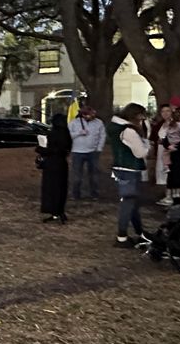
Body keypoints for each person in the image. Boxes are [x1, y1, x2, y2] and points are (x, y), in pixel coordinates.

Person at [108, 103, 151, 248]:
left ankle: (140, 232)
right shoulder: (129, 131)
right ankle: (122, 237)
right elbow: (141, 152)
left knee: (132, 203)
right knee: (128, 202)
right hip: (130, 169)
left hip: (119, 167)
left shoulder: (115, 127)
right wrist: (146, 141)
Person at [38, 113, 72, 223]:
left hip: (52, 163)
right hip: (61, 164)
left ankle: (55, 211)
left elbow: (54, 149)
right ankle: (58, 211)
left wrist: (41, 149)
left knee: (52, 189)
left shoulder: (54, 133)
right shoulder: (66, 133)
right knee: (60, 189)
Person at [67, 106, 105, 200]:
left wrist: (99, 148)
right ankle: (76, 194)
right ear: (82, 114)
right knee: (77, 175)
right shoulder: (74, 123)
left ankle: (94, 194)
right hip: (77, 151)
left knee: (94, 174)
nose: (91, 116)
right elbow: (67, 135)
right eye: (88, 114)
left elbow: (102, 135)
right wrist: (79, 133)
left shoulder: (99, 123)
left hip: (93, 152)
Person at [149, 104, 172, 187]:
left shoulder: (175, 124)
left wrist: (165, 141)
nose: (165, 113)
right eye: (163, 111)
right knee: (160, 166)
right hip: (159, 150)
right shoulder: (159, 124)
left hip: (170, 150)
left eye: (167, 111)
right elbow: (153, 137)